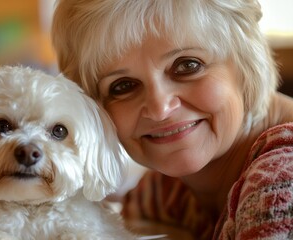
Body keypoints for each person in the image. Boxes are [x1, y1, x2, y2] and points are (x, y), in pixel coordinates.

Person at [51, 0, 293, 239]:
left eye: (187, 65)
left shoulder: (283, 178)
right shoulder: (161, 195)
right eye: (123, 86)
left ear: (245, 57)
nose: (160, 109)